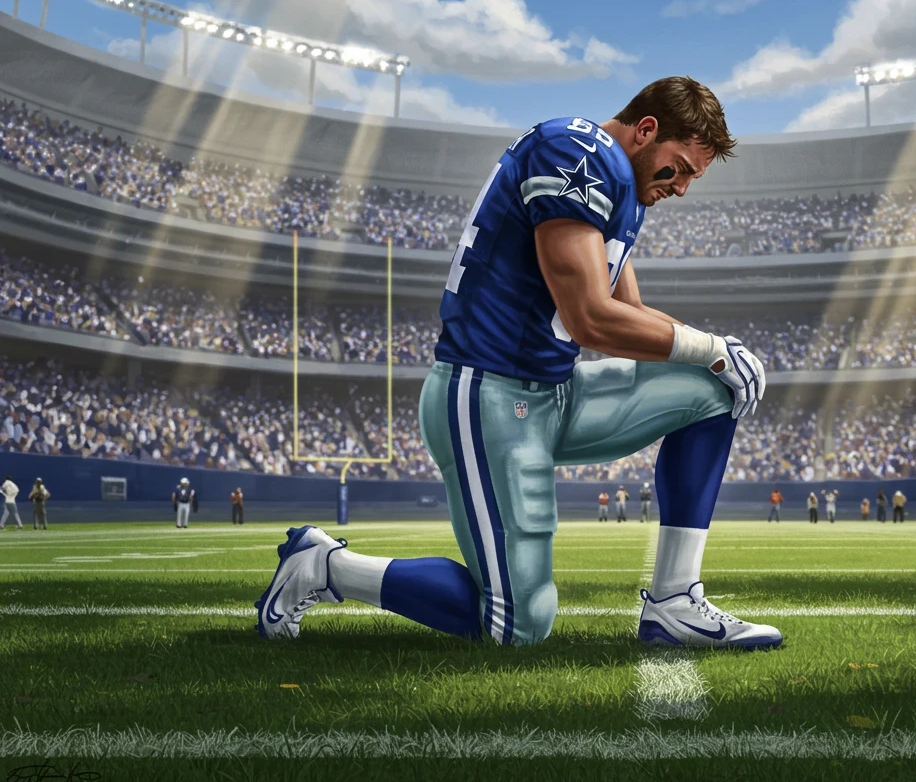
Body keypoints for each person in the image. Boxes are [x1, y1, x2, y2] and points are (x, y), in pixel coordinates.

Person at [256, 77, 782, 649]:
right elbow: (590, 319)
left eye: (690, 178)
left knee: (713, 390)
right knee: (519, 626)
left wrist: (716, 354)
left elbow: (629, 316)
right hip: (489, 394)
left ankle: (674, 603)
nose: (680, 188)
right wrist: (712, 348)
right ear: (646, 130)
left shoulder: (621, 183)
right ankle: (324, 566)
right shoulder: (577, 151)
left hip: (554, 392)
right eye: (678, 169)